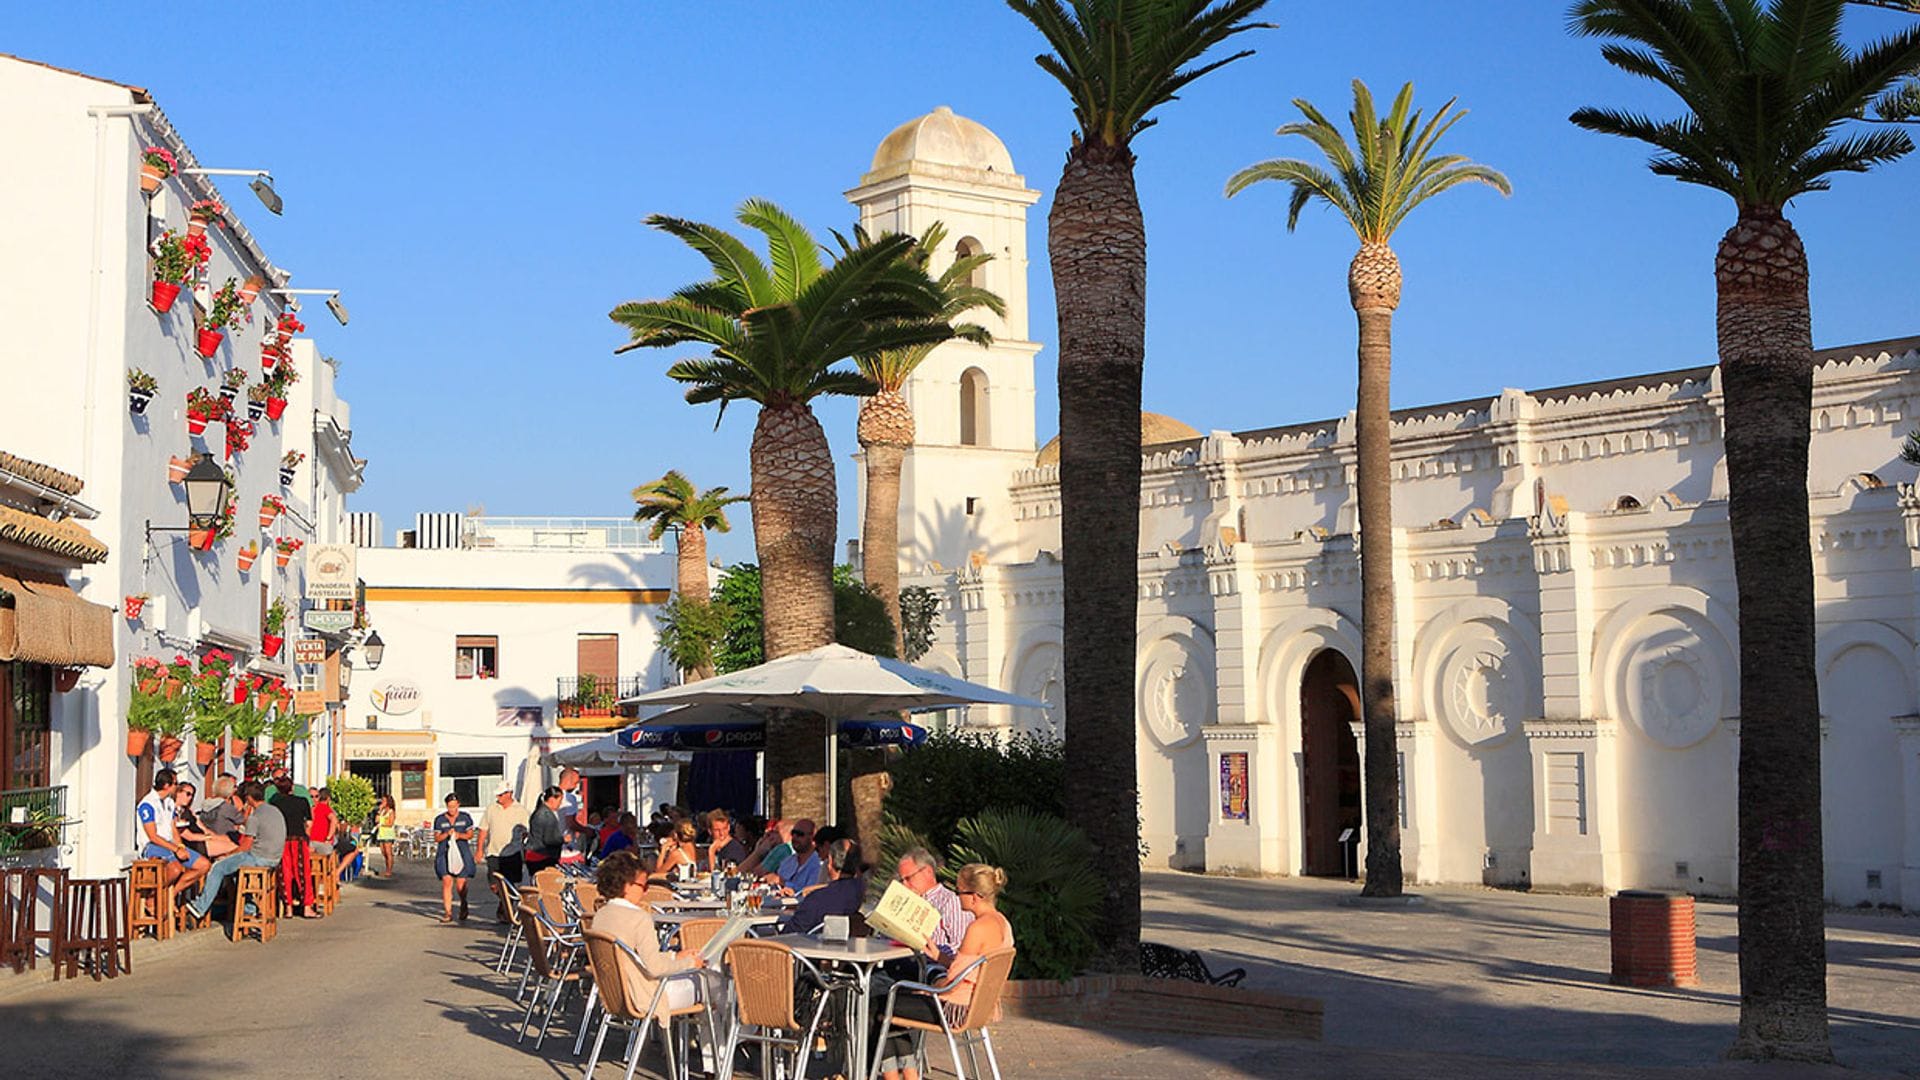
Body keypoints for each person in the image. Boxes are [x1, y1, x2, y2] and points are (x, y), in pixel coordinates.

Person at [874, 863, 1014, 1080]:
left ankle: (895, 1074)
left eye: (959, 892)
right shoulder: (1002, 923)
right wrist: (939, 956)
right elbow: (970, 969)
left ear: (974, 896)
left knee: (880, 1002)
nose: (957, 898)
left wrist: (927, 989)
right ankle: (908, 1072)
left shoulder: (977, 929)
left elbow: (952, 982)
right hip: (979, 1007)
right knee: (897, 1001)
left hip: (955, 1009)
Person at [589, 850, 706, 1011]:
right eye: (643, 885)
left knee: (705, 983)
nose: (646, 891)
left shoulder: (601, 915)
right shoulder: (639, 918)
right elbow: (654, 968)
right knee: (711, 981)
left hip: (616, 994)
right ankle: (735, 1035)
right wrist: (689, 963)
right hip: (646, 997)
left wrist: (674, 956)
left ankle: (713, 1036)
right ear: (627, 886)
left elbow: (637, 959)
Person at [186, 781, 285, 923]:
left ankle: (200, 907)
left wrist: (227, 855)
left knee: (218, 868)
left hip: (258, 857)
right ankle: (249, 909)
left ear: (249, 798)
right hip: (275, 858)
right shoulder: (275, 811)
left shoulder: (254, 817)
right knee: (236, 872)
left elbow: (245, 846)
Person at [136, 768, 209, 893]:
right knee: (176, 868)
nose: (177, 787)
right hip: (152, 846)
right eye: (175, 784)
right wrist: (176, 849)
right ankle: (153, 898)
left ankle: (171, 895)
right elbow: (152, 836)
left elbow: (173, 828)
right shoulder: (147, 804)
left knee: (204, 865)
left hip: (169, 844)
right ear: (166, 785)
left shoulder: (169, 803)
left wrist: (180, 846)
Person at [896, 848, 972, 966]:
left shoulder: (950, 901)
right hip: (902, 961)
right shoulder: (906, 900)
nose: (905, 885)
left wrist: (930, 950)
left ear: (928, 872)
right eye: (902, 880)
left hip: (931, 967)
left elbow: (960, 947)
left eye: (908, 878)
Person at [780, 839, 866, 934]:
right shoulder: (860, 891)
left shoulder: (818, 899)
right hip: (849, 946)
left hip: (808, 946)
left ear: (830, 861)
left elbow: (790, 932)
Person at [475, 787, 530, 915]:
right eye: (498, 795)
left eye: (501, 795)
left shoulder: (521, 810)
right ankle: (504, 903)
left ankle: (506, 912)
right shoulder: (491, 808)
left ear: (509, 793)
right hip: (494, 851)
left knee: (510, 884)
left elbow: (527, 831)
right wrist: (479, 849)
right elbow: (483, 829)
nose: (498, 798)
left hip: (512, 852)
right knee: (494, 885)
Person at [274, 777, 316, 918]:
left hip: (282, 840)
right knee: (303, 872)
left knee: (285, 873)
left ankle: (288, 908)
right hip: (299, 839)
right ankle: (307, 907)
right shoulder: (302, 801)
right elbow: (309, 823)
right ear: (291, 787)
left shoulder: (275, 802)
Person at [434, 793, 476, 923]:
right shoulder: (440, 820)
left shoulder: (465, 817)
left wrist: (459, 835)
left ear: (458, 805)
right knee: (447, 881)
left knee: (460, 884)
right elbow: (437, 838)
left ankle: (463, 903)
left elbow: (470, 835)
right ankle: (448, 912)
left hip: (461, 853)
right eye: (449, 807)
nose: (452, 809)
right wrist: (446, 834)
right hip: (444, 853)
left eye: (454, 806)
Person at [762, 818, 820, 893]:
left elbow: (810, 891)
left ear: (813, 839)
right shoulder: (787, 862)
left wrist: (781, 882)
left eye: (800, 834)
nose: (795, 837)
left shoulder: (818, 863)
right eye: (793, 833)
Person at [523, 786, 566, 874]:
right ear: (552, 799)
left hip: (534, 855)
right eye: (559, 801)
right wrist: (563, 839)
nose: (560, 804)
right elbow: (549, 839)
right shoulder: (546, 815)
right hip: (542, 856)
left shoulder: (539, 811)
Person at [374, 795, 398, 876]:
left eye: (384, 800)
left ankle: (389, 870)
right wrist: (379, 811)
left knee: (388, 852)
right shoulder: (382, 811)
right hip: (381, 834)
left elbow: (390, 823)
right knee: (383, 852)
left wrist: (382, 824)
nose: (382, 802)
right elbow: (376, 820)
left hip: (388, 834)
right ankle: (387, 868)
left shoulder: (391, 811)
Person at [309, 787, 336, 858]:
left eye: (316, 796)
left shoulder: (322, 807)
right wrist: (329, 838)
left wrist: (328, 838)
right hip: (317, 844)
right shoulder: (323, 807)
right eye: (311, 796)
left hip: (315, 843)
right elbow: (334, 820)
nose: (314, 799)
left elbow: (334, 820)